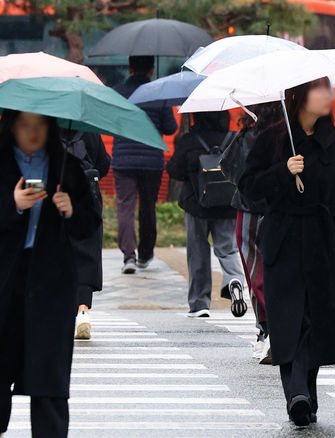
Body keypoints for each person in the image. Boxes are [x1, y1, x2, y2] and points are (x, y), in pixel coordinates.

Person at [0, 110, 99, 437]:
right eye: (24, 125)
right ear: (11, 127)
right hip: (4, 281)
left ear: (50, 128)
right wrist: (13, 204)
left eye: (39, 125)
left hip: (52, 284)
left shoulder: (67, 168)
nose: (32, 133)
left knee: (48, 376)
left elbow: (90, 226)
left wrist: (71, 210)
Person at [239, 78, 335, 427]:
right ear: (299, 96)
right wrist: (283, 171)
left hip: (324, 241)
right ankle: (298, 393)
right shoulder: (271, 140)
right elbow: (248, 189)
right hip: (283, 239)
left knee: (316, 318)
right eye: (320, 89)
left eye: (329, 89)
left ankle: (303, 392)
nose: (329, 95)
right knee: (288, 319)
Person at [166, 111, 246, 318]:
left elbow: (174, 169)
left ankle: (199, 303)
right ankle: (234, 279)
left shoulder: (189, 140)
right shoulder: (234, 138)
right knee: (227, 249)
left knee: (198, 251)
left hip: (196, 204)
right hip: (227, 203)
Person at [220, 103, 283, 364]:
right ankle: (282, 328)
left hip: (249, 209)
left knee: (255, 269)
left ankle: (266, 330)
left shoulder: (246, 135)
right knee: (280, 268)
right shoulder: (289, 136)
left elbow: (226, 166)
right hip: (282, 208)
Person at [112, 56, 178, 274]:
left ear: (129, 68)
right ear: (151, 70)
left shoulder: (118, 93)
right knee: (148, 206)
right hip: (151, 161)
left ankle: (128, 257)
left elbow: (110, 122)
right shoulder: (159, 93)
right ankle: (146, 253)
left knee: (125, 207)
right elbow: (169, 128)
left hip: (123, 159)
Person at [60, 128, 111, 340]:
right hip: (86, 195)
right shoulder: (87, 128)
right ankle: (82, 311)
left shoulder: (44, 124)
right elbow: (104, 164)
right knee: (86, 251)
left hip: (56, 195)